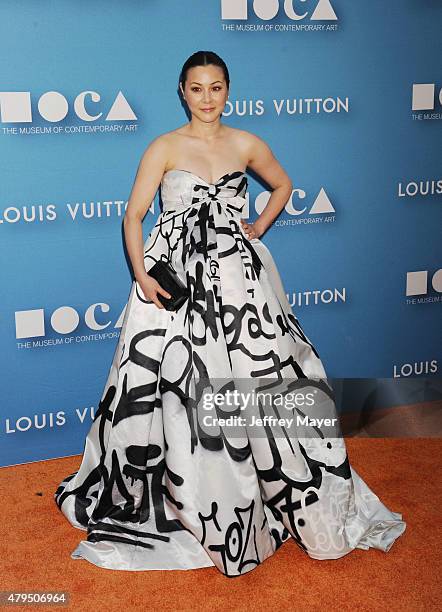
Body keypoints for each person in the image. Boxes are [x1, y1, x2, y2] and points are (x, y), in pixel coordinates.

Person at [54, 50, 406, 577]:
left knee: (258, 377)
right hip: (174, 285)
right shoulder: (164, 147)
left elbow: (283, 186)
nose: (207, 98)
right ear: (182, 91)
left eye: (216, 87)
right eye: (197, 88)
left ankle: (266, 494)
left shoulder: (246, 143)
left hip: (241, 284)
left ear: (228, 89)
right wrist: (142, 276)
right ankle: (191, 495)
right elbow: (133, 216)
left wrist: (258, 227)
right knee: (173, 385)